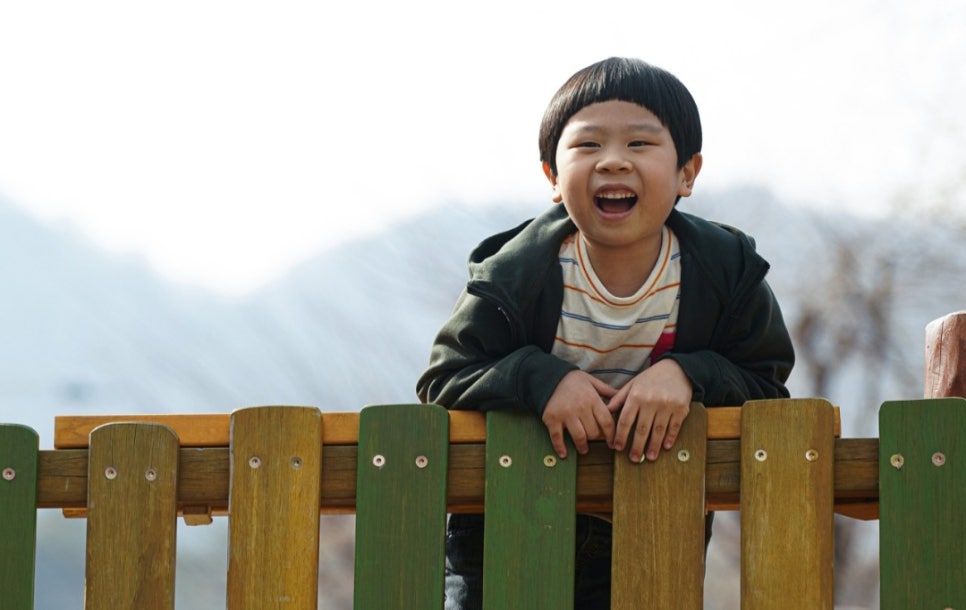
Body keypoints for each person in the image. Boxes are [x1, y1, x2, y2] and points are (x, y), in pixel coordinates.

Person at [416, 56, 794, 610]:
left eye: (640, 145)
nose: (613, 161)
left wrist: (689, 373)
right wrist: (539, 379)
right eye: (588, 146)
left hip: (654, 523)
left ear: (688, 173)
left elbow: (767, 383)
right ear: (551, 176)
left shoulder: (724, 272)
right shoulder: (515, 275)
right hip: (504, 524)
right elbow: (443, 378)